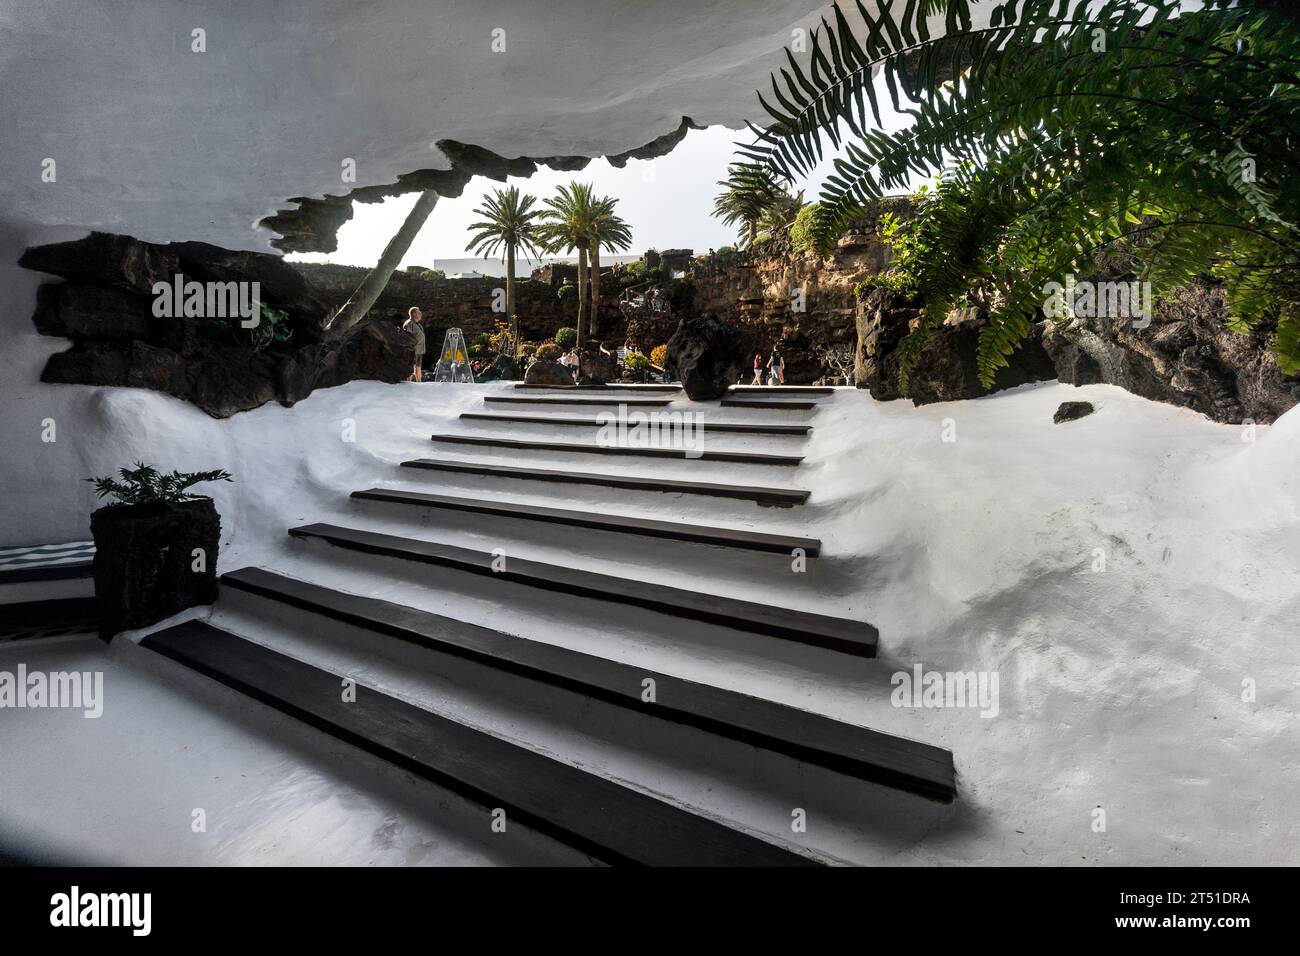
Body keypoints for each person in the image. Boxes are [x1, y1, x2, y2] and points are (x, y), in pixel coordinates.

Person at [402, 306, 425, 382]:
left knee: (418, 366)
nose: (421, 314)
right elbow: (406, 338)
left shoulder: (418, 324)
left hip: (419, 350)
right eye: (419, 312)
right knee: (410, 367)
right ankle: (408, 382)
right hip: (412, 350)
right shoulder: (409, 324)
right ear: (414, 314)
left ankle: (419, 382)